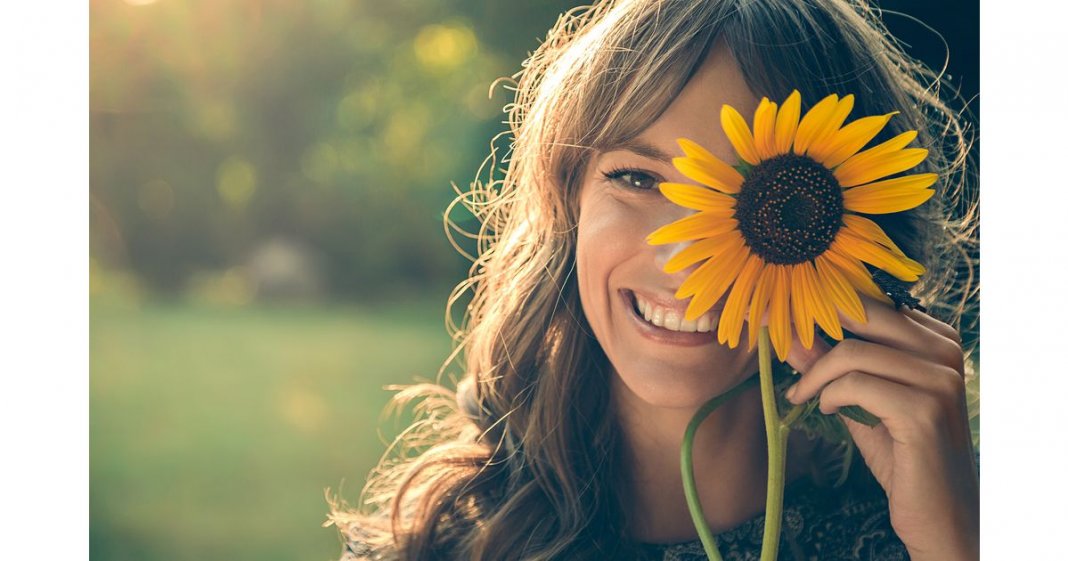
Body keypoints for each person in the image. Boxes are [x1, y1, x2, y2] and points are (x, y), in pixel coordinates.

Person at [327, 0, 979, 559]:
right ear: (567, 202)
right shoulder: (443, 544)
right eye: (638, 178)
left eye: (754, 196)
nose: (684, 260)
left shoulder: (932, 526)